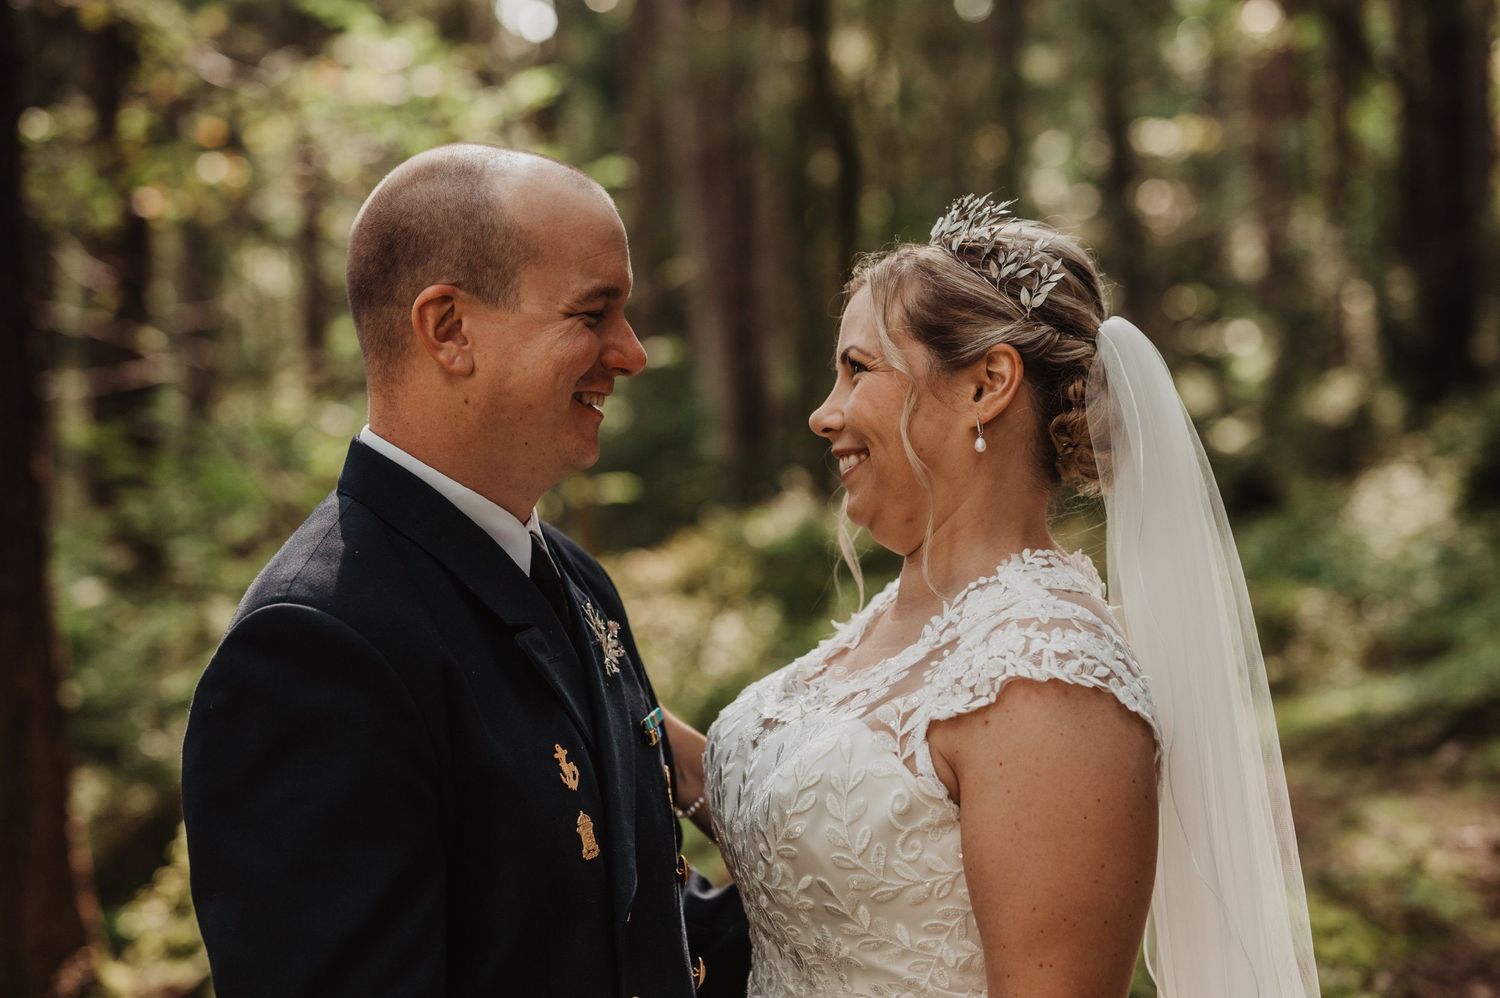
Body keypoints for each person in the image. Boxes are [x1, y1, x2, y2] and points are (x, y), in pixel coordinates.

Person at [697, 196, 1320, 996]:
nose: (825, 414)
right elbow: (797, 818)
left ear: (987, 384)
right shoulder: (902, 621)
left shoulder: (1049, 678)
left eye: (858, 369)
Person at [181, 144, 748, 997]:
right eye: (593, 313)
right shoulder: (314, 646)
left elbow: (637, 927)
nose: (631, 353)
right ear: (448, 329)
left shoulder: (577, 580)